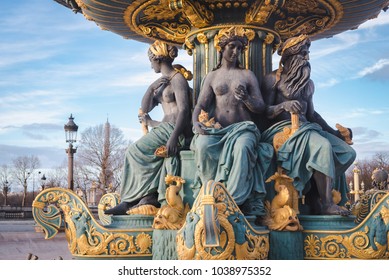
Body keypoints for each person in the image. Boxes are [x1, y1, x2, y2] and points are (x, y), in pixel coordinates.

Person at [260, 34, 356, 215]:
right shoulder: (273, 79)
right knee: (322, 147)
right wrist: (283, 106)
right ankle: (327, 204)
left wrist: (337, 133)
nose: (307, 58)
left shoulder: (308, 84)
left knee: (347, 152)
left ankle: (314, 191)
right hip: (281, 130)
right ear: (289, 56)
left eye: (308, 53)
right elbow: (263, 111)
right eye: (303, 53)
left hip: (307, 128)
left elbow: (312, 114)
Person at [191, 27, 273, 217]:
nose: (235, 52)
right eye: (232, 47)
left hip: (244, 129)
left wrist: (246, 99)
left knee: (243, 148)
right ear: (221, 48)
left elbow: (260, 106)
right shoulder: (212, 77)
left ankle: (234, 200)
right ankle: (209, 194)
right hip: (218, 130)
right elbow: (200, 104)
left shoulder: (247, 75)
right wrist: (195, 123)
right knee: (202, 146)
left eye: (239, 48)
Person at [105, 40, 192, 215]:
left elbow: (184, 111)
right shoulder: (162, 83)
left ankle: (129, 200)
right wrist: (152, 86)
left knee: (134, 151)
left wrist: (174, 137)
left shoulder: (178, 79)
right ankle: (144, 197)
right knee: (141, 155)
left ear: (158, 59)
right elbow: (144, 108)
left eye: (151, 61)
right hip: (164, 129)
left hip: (172, 129)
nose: (151, 65)